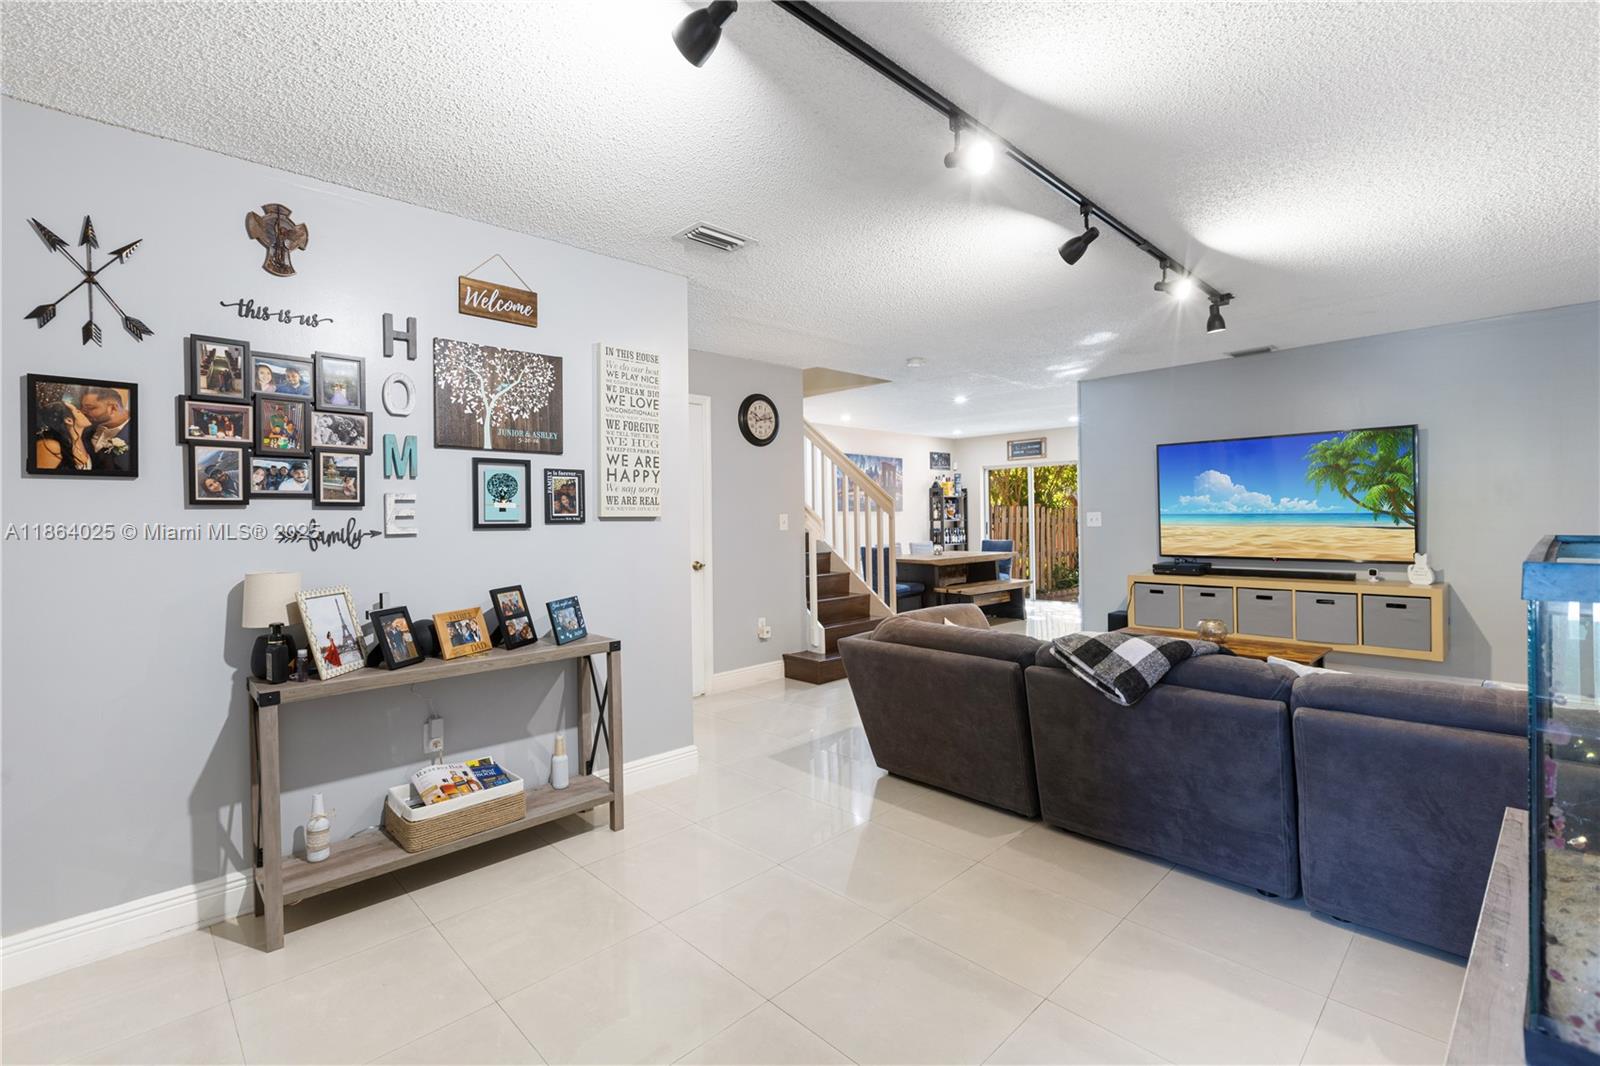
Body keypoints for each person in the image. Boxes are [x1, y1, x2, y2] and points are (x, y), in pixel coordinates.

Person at [78, 387, 134, 473]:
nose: (83, 412)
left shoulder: (135, 435)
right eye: (82, 407)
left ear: (113, 408)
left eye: (90, 408)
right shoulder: (86, 428)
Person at [33, 399, 91, 471]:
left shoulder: (83, 442)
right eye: (77, 411)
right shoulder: (50, 446)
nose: (83, 413)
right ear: (69, 420)